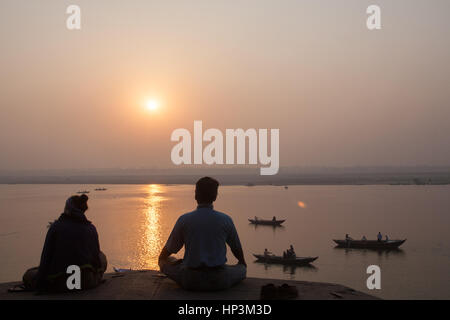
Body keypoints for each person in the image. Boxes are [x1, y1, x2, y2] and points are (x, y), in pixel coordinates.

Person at [158, 177, 247, 291]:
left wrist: (161, 259)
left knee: (165, 262)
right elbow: (236, 249)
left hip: (190, 280)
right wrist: (242, 263)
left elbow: (169, 249)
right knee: (242, 269)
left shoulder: (184, 220)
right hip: (219, 280)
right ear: (215, 196)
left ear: (196, 195)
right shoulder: (225, 220)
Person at [22, 194, 107, 292]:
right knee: (102, 256)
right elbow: (96, 260)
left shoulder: (55, 227)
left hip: (62, 283)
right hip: (87, 282)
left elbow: (46, 258)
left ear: (67, 209)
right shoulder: (91, 228)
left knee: (29, 274)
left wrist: (39, 283)